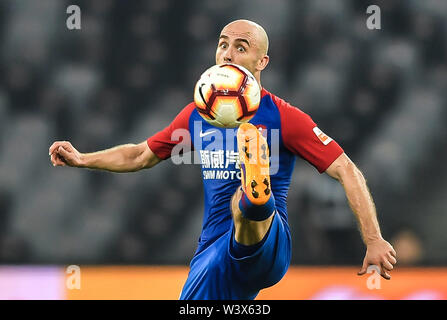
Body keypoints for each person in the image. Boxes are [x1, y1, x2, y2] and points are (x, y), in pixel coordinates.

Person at [49, 19, 397, 299]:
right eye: (223, 44)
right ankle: (251, 187)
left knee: (241, 204)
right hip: (213, 250)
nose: (228, 53)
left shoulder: (284, 117)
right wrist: (83, 159)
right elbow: (141, 154)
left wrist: (373, 240)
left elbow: (346, 169)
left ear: (262, 62)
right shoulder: (196, 116)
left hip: (270, 244)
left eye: (240, 47)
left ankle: (254, 197)